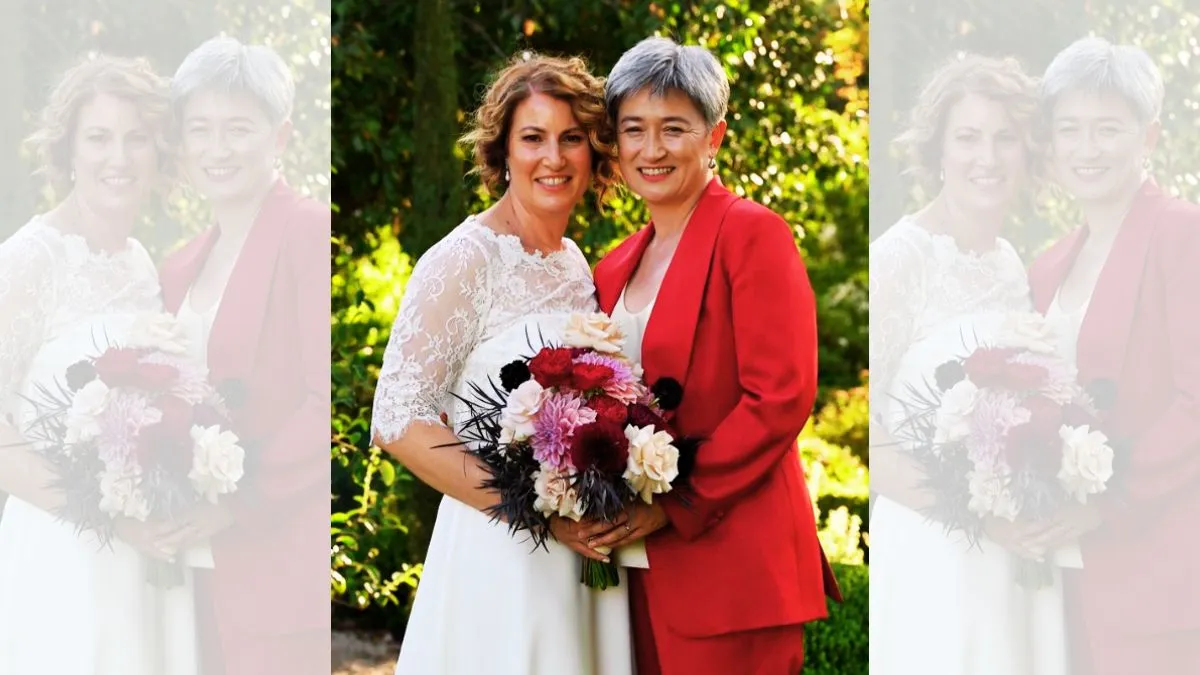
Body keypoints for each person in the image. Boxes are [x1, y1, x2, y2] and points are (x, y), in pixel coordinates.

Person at [582, 36, 839, 675]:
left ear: (714, 136)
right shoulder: (612, 266)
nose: (652, 149)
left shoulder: (753, 234)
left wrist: (673, 504)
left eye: (674, 128)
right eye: (633, 129)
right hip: (633, 571)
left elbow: (779, 397)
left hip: (731, 567)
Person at [370, 53, 633, 674]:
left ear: (594, 151)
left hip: (580, 556)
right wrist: (534, 510)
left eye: (572, 139)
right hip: (498, 554)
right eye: (533, 138)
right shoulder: (464, 259)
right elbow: (397, 421)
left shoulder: (575, 263)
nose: (554, 157)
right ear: (503, 152)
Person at [866, 54, 1071, 674]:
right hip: (937, 551)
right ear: (939, 150)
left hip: (1018, 551)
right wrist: (980, 517)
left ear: (1028, 150)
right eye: (969, 137)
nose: (988, 157)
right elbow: (874, 451)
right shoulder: (900, 261)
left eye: (1005, 138)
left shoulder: (1015, 266)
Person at [0, 54, 202, 674]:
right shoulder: (29, 261)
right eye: (99, 138)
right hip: (64, 551)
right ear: (68, 149)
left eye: (135, 138)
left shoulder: (144, 264)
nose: (119, 157)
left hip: (148, 555)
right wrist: (109, 517)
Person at [155, 36, 331, 674]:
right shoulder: (178, 267)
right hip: (185, 568)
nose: (216, 148)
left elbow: (327, 404)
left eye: (237, 128)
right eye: (199, 129)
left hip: (274, 565)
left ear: (279, 136)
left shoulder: (310, 233)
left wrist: (233, 503)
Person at [1027, 36, 1200, 675]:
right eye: (1069, 128)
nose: (1086, 148)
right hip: (1063, 569)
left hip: (1158, 570)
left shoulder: (1184, 235)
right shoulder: (1047, 266)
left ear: (1148, 137)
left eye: (1107, 129)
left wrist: (1106, 500)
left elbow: (1196, 402)